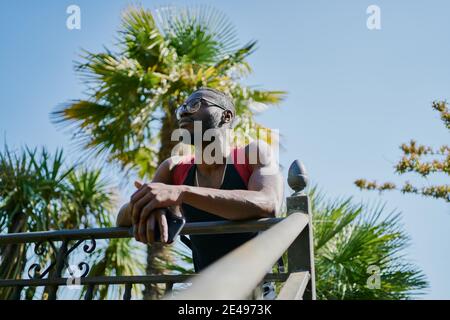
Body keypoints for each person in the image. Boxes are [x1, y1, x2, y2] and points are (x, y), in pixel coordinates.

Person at [116, 87, 283, 299]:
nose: (184, 112)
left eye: (195, 104)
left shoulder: (253, 153)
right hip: (206, 293)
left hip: (257, 293)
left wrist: (182, 192)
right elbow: (122, 217)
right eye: (182, 108)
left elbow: (268, 202)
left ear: (226, 115)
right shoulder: (173, 168)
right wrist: (148, 207)